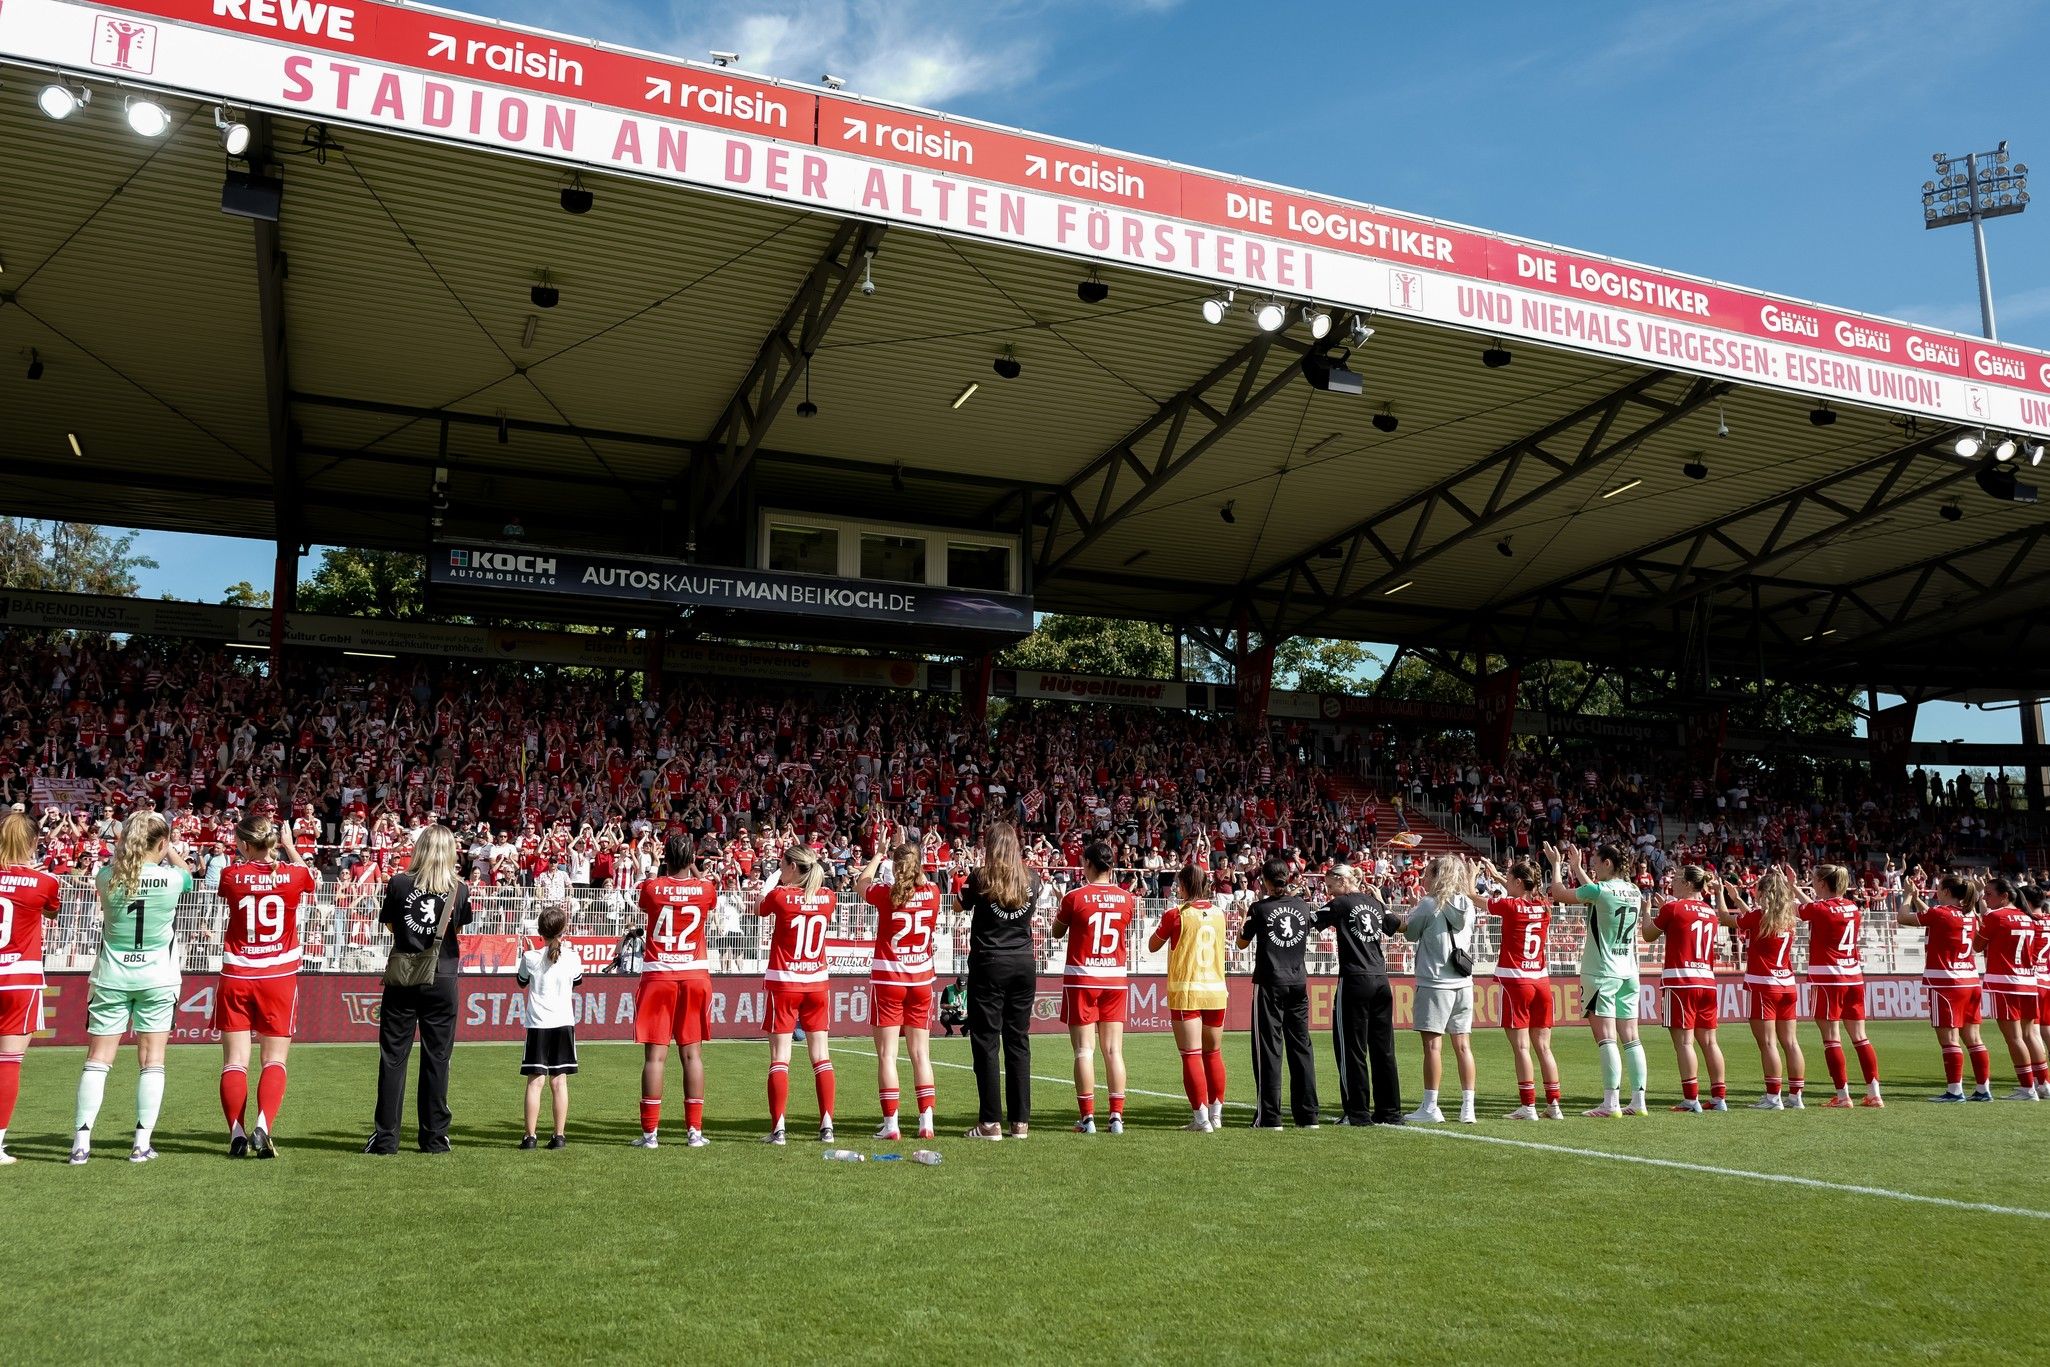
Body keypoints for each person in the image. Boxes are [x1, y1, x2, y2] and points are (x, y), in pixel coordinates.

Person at [72, 811, 192, 1165]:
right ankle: (141, 1144)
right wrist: (169, 848)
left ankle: (81, 1144)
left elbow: (121, 865)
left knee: (97, 1061)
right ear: (162, 843)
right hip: (158, 977)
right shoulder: (172, 881)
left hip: (112, 977)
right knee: (152, 1062)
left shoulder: (106, 876)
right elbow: (186, 872)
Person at [213, 814, 317, 1158]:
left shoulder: (231, 875)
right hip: (278, 978)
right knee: (274, 1060)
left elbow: (231, 889)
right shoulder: (292, 875)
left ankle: (236, 1133)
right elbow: (309, 881)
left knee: (235, 1062)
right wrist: (289, 846)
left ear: (242, 844)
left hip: (238, 976)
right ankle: (263, 1125)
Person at [366, 825, 473, 1155]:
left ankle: (386, 1138)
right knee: (438, 1058)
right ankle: (434, 1137)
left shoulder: (399, 882)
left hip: (403, 976)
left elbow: (391, 925)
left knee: (393, 1057)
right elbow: (456, 928)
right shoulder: (459, 889)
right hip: (442, 978)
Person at [1546, 841, 1647, 1118]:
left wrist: (1557, 865)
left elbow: (1558, 893)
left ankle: (1610, 1103)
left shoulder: (1600, 890)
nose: (1592, 865)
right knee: (1632, 1039)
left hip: (1601, 972)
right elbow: (1597, 895)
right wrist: (1577, 868)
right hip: (1628, 970)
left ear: (1607, 863)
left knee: (1606, 1038)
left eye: (1595, 861)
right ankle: (1638, 1101)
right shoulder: (1634, 890)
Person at [633, 837, 715, 1149]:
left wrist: (656, 865)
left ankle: (650, 1134)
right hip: (694, 974)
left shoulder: (653, 888)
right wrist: (692, 865)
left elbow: (645, 899)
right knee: (692, 1054)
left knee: (655, 1057)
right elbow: (704, 888)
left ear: (666, 857)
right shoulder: (705, 889)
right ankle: (694, 1132)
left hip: (658, 976)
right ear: (691, 857)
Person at [1050, 841, 1135, 1134]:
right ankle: (1116, 1118)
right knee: (1113, 1051)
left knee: (1084, 1051)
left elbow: (1056, 931)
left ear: (1087, 863)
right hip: (1114, 977)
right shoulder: (1127, 899)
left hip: (1082, 978)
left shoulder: (1075, 897)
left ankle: (1087, 1119)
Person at [858, 843, 940, 1141]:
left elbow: (861, 883)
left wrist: (878, 855)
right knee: (921, 1055)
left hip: (889, 980)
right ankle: (926, 1121)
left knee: (887, 1056)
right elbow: (921, 885)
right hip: (920, 981)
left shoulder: (886, 894)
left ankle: (892, 1124)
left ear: (895, 867)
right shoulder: (933, 894)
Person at [756, 844, 837, 1145]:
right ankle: (826, 1126)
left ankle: (778, 1129)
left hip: (785, 983)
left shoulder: (781, 896)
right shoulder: (828, 898)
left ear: (792, 867)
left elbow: (759, 907)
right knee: (821, 1057)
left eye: (782, 863)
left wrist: (774, 877)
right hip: (816, 982)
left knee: (780, 1058)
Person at [962, 823, 1038, 1140]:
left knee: (987, 1043)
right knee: (1018, 1042)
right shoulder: (1032, 878)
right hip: (1023, 963)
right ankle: (1020, 1122)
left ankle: (990, 1122)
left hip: (989, 962)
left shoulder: (981, 877)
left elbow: (959, 905)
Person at [1317, 863, 1403, 1125]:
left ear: (1342, 882)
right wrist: (1381, 903)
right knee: (1383, 1049)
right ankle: (1390, 1111)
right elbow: (1395, 925)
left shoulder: (1340, 904)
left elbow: (1310, 922)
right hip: (1380, 979)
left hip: (1354, 979)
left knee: (1351, 1049)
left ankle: (1357, 1112)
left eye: (1331, 887)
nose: (1329, 893)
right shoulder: (1373, 902)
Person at [0, 812, 63, 1164]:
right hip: (20, 978)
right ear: (32, 842)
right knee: (8, 1062)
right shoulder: (44, 882)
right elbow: (52, 913)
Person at [1238, 855, 1320, 1129]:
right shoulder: (1302, 906)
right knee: (1301, 1047)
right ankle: (1308, 1116)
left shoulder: (1258, 908)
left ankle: (1270, 1117)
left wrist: (1245, 919)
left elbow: (1241, 943)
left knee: (1269, 1049)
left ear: (1264, 880)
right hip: (1298, 982)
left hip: (1270, 982)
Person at [1717, 866, 1806, 1109]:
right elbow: (1755, 923)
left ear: (1764, 892)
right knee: (1790, 1042)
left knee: (1768, 1043)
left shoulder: (1759, 917)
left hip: (1764, 984)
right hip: (1787, 984)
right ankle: (1796, 1096)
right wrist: (1737, 898)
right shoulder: (1788, 918)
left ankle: (1773, 1096)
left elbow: (1727, 919)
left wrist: (1720, 896)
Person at [1899, 874, 1993, 1102]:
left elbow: (1902, 917)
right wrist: (1918, 899)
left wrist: (1907, 896)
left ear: (1947, 891)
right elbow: (1936, 916)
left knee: (1949, 1038)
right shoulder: (1969, 914)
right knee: (1973, 1038)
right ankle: (1983, 1089)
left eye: (1939, 888)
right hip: (1970, 980)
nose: (1937, 892)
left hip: (1945, 982)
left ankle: (1954, 1090)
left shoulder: (1940, 914)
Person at [1795, 864, 1882, 1108]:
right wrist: (1794, 887)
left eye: (1812, 879)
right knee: (1860, 1037)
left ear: (1822, 883)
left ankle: (1843, 1096)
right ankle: (1874, 1093)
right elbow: (1814, 909)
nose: (1810, 883)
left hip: (1827, 979)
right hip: (1853, 977)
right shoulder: (1851, 906)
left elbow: (1800, 910)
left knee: (1832, 1039)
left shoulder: (1820, 909)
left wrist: (1784, 889)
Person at [1481, 857, 1561, 1121]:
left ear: (1517, 882)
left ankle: (1528, 1106)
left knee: (1522, 1048)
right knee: (1544, 1048)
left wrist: (1472, 878)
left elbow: (1474, 898)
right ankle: (1554, 1105)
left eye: (1508, 879)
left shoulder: (1510, 906)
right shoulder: (1544, 906)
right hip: (1541, 981)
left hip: (1516, 982)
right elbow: (1520, 891)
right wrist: (1497, 877)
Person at [1150, 863, 1228, 1132]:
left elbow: (1153, 944)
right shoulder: (1220, 913)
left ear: (1182, 886)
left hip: (1187, 991)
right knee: (1213, 1053)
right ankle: (1216, 1114)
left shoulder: (1176, 914)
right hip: (1216, 990)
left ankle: (1201, 1119)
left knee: (1191, 1054)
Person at [1645, 865, 1728, 1113]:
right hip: (1706, 981)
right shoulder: (1710, 913)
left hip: (1680, 981)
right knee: (1710, 1042)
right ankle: (1718, 1097)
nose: (1674, 881)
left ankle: (1691, 1099)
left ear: (1690, 884)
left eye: (1679, 878)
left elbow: (1648, 934)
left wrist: (1646, 912)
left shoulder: (1673, 907)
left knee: (1684, 1043)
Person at [1404, 854, 1477, 1125]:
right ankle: (1467, 1107)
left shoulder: (1428, 903)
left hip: (1435, 983)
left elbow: (1411, 933)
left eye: (1427, 873)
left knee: (1433, 1047)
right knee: (1463, 1046)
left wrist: (1412, 911)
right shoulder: (1468, 904)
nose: (1424, 877)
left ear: (1437, 875)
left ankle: (1431, 1106)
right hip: (1463, 984)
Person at [516, 904, 581, 1149]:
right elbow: (576, 982)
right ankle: (559, 1135)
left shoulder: (530, 957)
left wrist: (534, 953)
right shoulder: (572, 957)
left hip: (538, 1025)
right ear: (562, 931)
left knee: (535, 1081)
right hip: (563, 1023)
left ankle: (530, 1136)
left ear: (540, 932)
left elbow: (522, 982)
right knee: (559, 1081)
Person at [1977, 875, 2044, 1100]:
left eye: (1988, 894)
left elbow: (1977, 946)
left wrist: (1981, 921)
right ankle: (2043, 1084)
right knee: (2030, 1034)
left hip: (2005, 982)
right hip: (2028, 982)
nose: (1984, 898)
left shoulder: (1996, 917)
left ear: (2004, 896)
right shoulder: (2029, 918)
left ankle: (2027, 1088)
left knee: (2014, 1038)